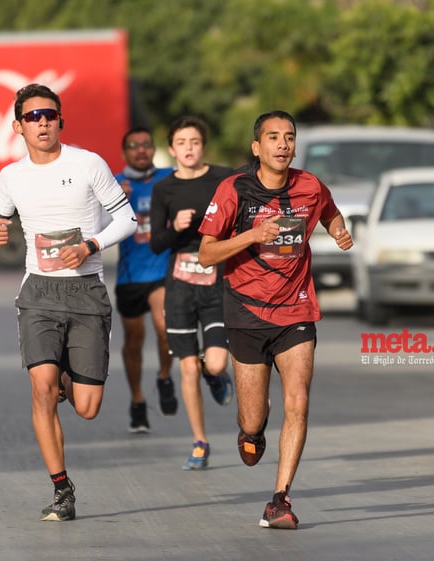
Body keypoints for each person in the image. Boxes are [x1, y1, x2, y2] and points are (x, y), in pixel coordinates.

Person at [0, 83, 136, 522]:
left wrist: (90, 245)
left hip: (86, 290)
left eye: (49, 115)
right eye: (32, 117)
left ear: (60, 120)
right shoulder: (11, 176)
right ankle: (61, 489)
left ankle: (67, 374)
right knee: (41, 388)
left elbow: (127, 218)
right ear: (18, 126)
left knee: (87, 408)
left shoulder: (88, 164)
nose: (42, 122)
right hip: (39, 295)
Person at [198, 110, 353, 529]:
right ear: (257, 147)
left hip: (297, 309)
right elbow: (206, 253)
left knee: (298, 400)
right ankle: (253, 430)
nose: (282, 144)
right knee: (251, 419)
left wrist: (340, 230)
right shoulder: (234, 190)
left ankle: (280, 498)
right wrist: (252, 235)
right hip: (246, 312)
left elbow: (331, 214)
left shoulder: (310, 186)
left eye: (289, 137)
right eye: (273, 137)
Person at [149, 115, 235, 470]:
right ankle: (200, 442)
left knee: (214, 361)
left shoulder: (224, 179)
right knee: (186, 369)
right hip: (180, 286)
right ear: (171, 150)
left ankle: (214, 375)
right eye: (181, 143)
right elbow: (156, 244)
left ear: (203, 146)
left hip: (217, 283)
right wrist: (175, 227)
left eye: (194, 142)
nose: (188, 148)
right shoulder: (163, 189)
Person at [114, 127, 177, 433]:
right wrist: (112, 202)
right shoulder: (114, 184)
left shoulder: (170, 178)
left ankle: (165, 375)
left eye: (146, 145)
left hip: (161, 272)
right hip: (129, 276)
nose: (141, 150)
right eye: (133, 146)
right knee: (134, 341)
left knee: (165, 327)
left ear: (154, 149)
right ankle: (137, 400)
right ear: (124, 152)